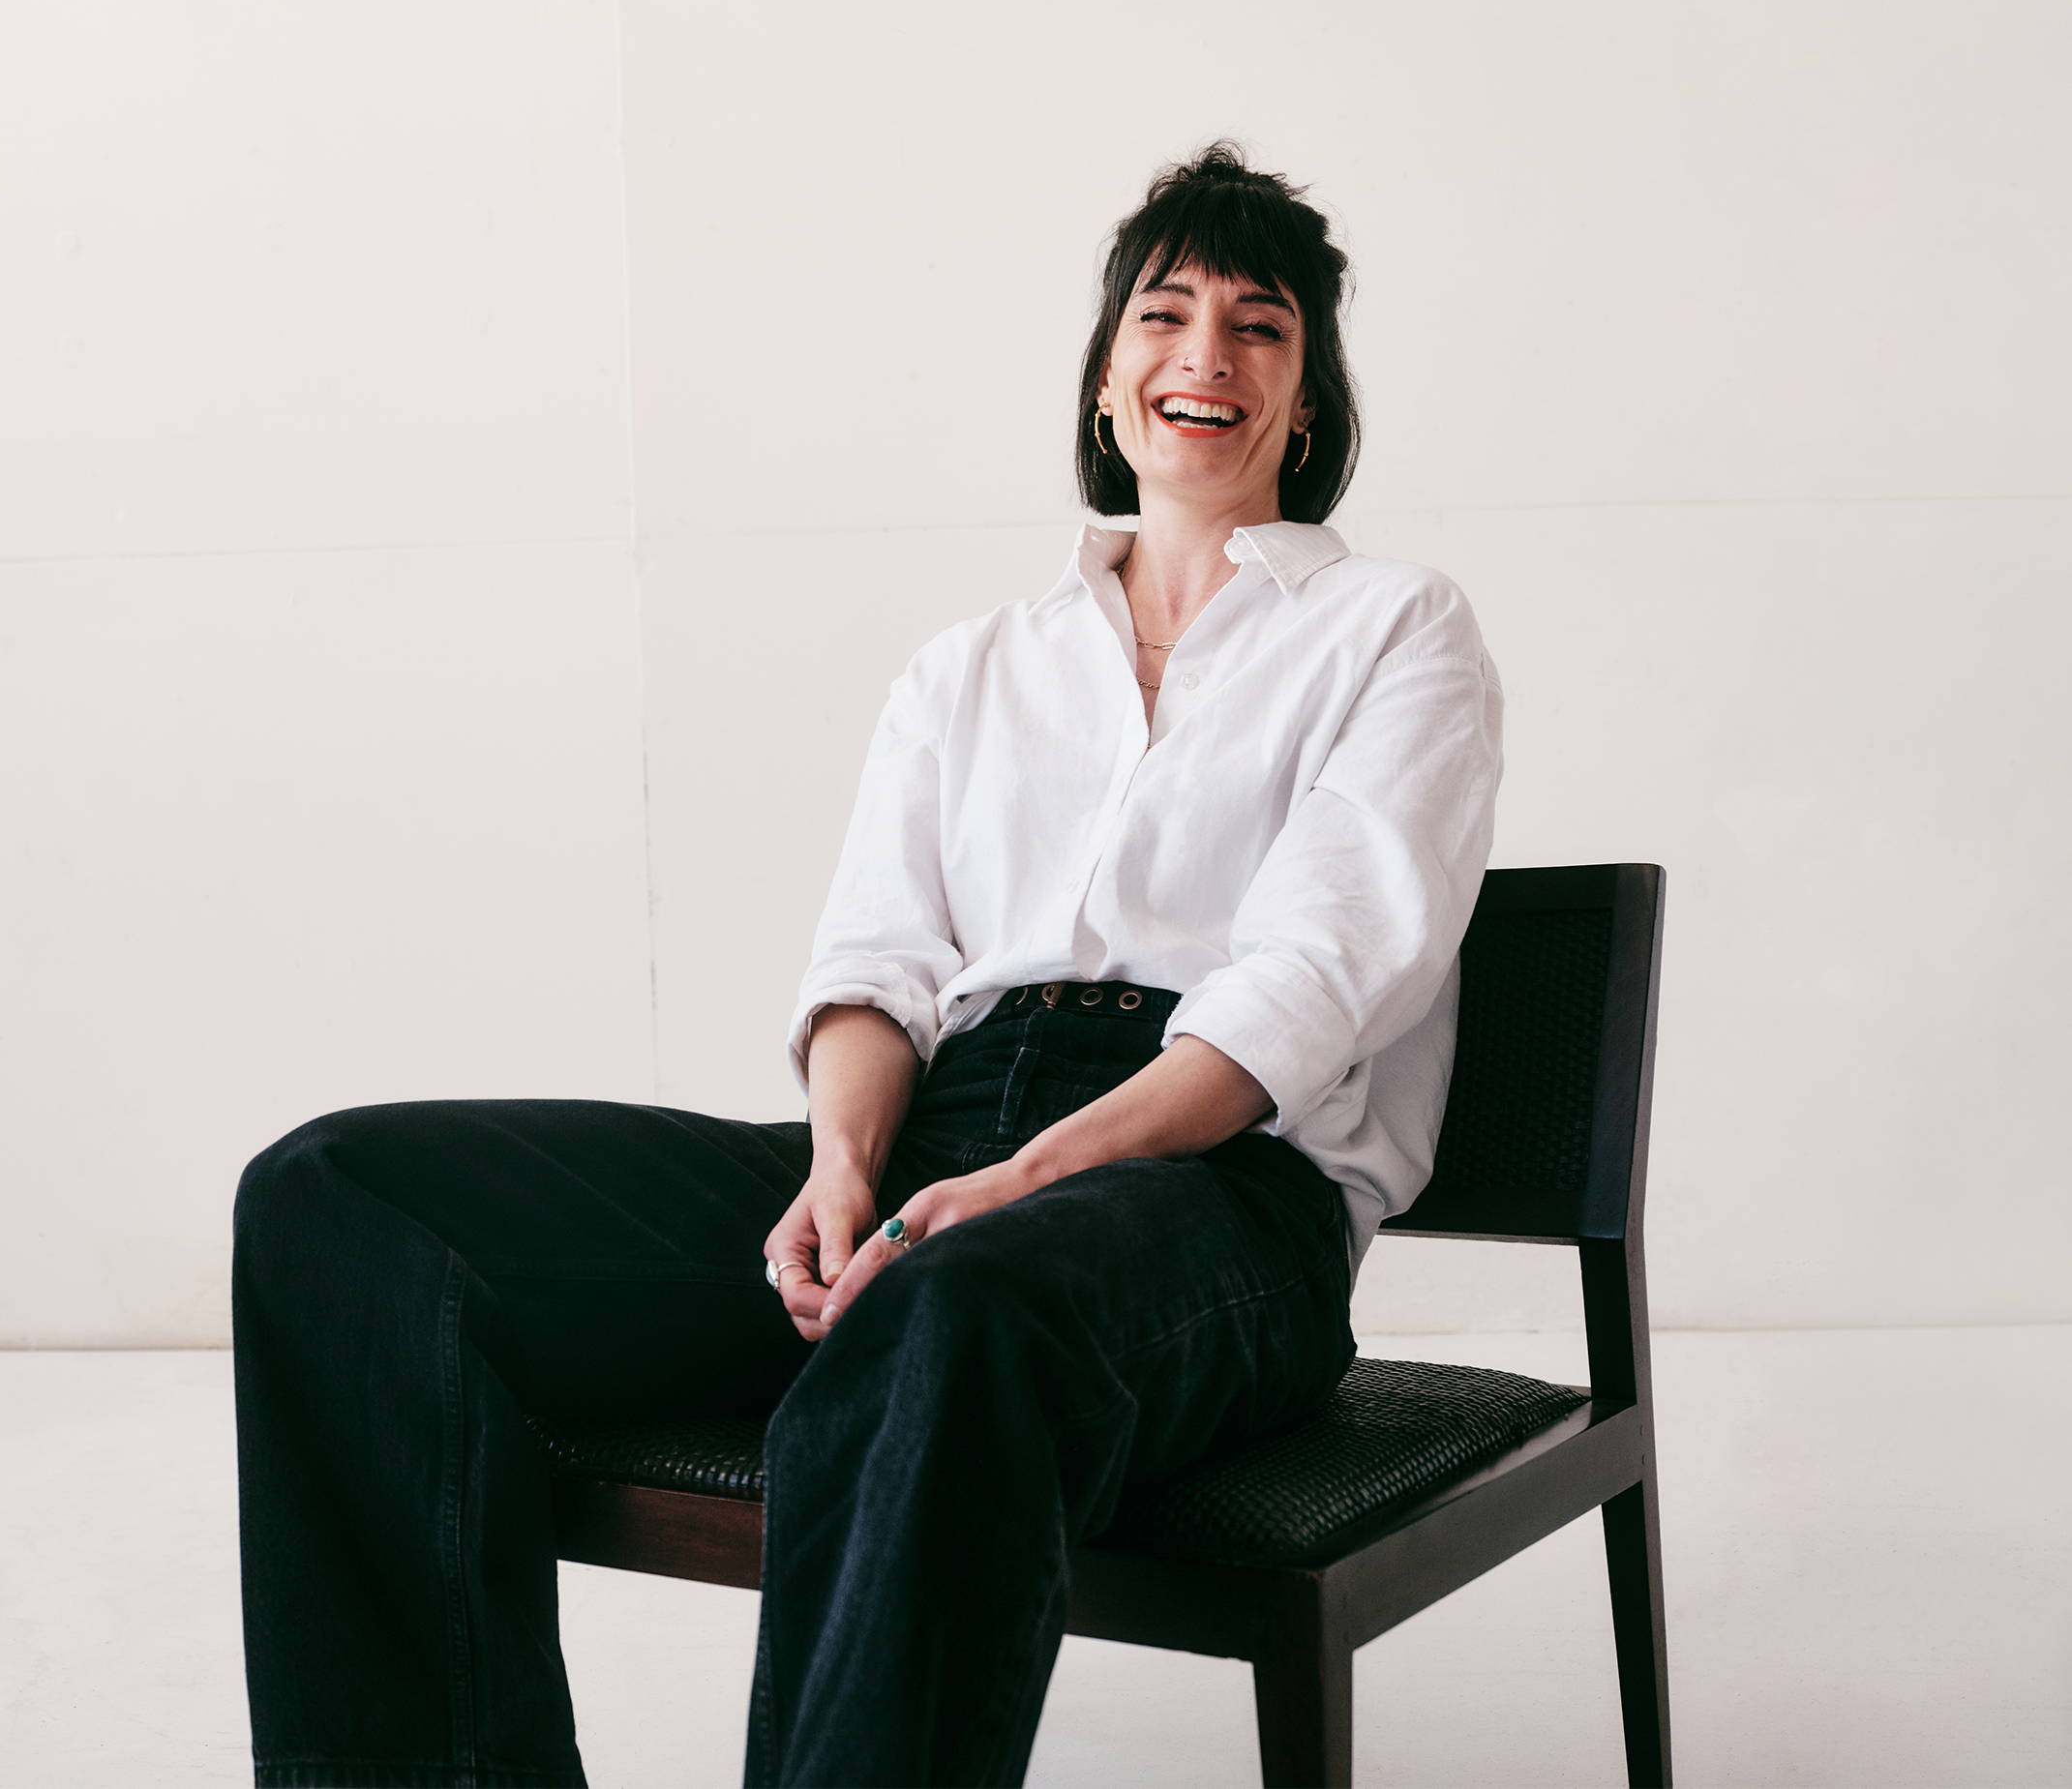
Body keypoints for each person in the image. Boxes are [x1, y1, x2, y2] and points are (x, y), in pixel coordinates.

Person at [231, 142, 1503, 1789]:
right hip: (924, 1161)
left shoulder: (1399, 630)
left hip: (1213, 1198)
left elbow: (1316, 978)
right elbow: (883, 962)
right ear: (1108, 379)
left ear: (1310, 401)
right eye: (1166, 311)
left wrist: (1028, 1181)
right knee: (345, 1205)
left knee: (955, 1303)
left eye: (1260, 327)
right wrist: (846, 1171)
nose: (1207, 354)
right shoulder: (974, 665)